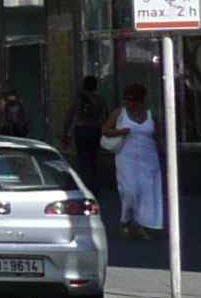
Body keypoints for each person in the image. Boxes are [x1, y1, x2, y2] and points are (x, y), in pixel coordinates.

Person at [106, 82, 165, 235]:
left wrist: (163, 152)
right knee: (130, 190)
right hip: (126, 158)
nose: (128, 103)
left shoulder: (152, 115)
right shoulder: (120, 113)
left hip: (149, 158)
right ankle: (125, 218)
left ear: (140, 101)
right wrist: (120, 132)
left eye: (131, 100)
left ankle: (144, 225)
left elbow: (159, 136)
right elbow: (106, 130)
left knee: (147, 191)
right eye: (126, 99)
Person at [63, 76, 113, 200]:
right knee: (93, 159)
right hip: (95, 130)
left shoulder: (78, 99)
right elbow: (106, 117)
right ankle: (94, 186)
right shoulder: (100, 100)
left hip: (82, 129)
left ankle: (88, 187)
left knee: (83, 160)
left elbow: (70, 115)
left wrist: (65, 132)